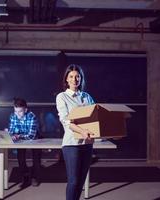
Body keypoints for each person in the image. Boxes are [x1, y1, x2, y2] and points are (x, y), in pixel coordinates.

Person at [56, 64, 95, 200]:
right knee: (73, 181)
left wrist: (111, 133)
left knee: (80, 182)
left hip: (87, 144)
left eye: (77, 76)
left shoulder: (87, 97)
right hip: (72, 144)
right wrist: (82, 131)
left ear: (81, 78)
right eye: (71, 76)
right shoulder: (62, 97)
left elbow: (95, 119)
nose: (74, 79)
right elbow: (66, 121)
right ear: (66, 79)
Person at [7, 98, 41, 188]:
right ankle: (25, 177)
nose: (17, 114)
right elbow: (11, 131)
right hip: (21, 138)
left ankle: (35, 177)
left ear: (25, 110)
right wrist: (10, 135)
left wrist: (18, 136)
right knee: (20, 157)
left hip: (35, 139)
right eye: (15, 111)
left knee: (36, 158)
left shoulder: (31, 116)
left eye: (20, 112)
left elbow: (31, 136)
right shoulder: (13, 116)